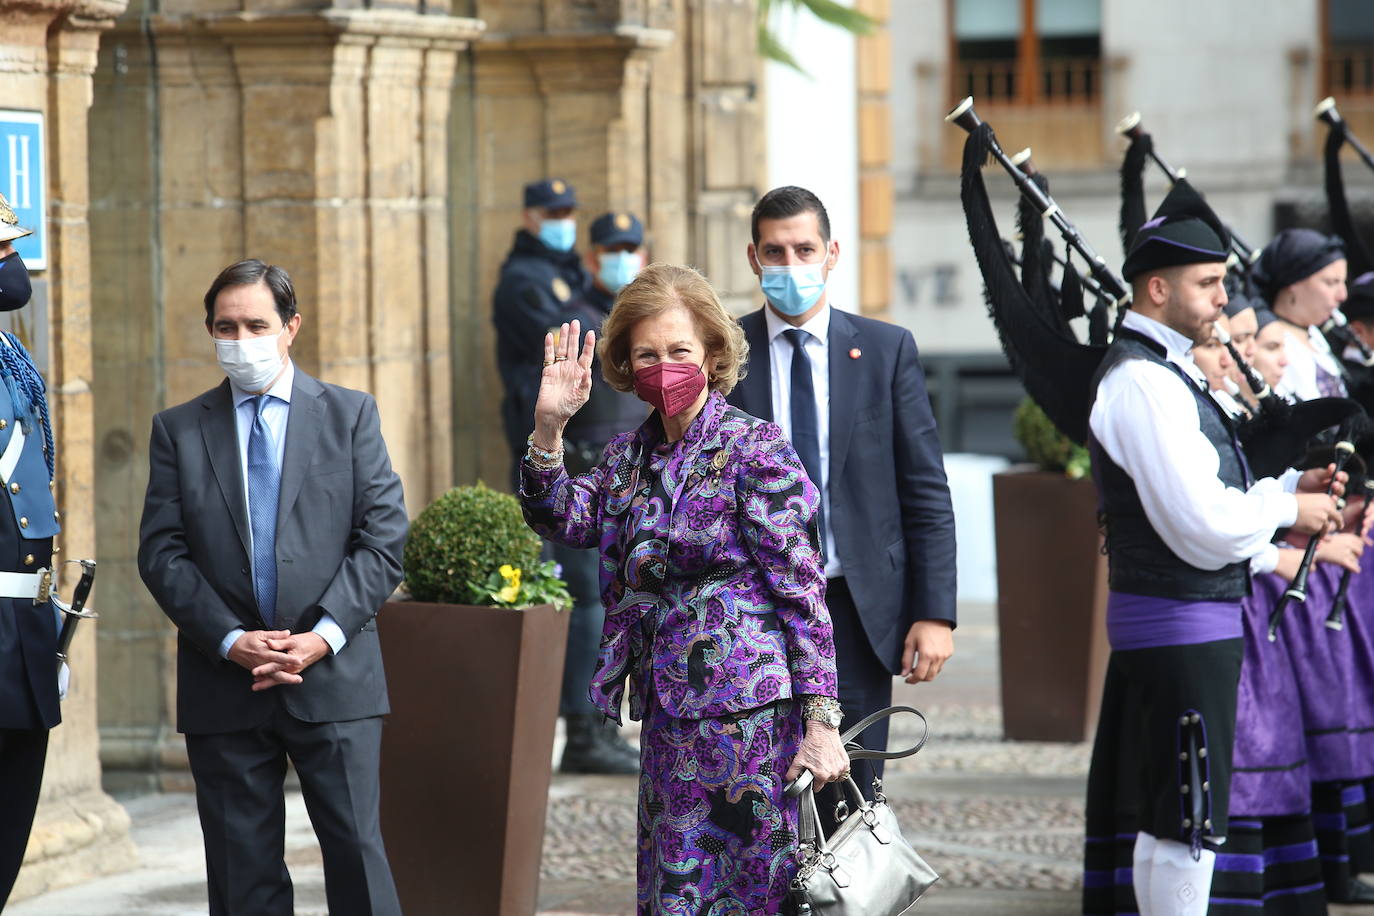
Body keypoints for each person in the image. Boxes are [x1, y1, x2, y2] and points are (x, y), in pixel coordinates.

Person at [519, 263, 847, 913]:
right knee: (676, 886)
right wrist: (549, 431)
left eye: (679, 351)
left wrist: (821, 721)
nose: (663, 366)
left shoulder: (756, 448)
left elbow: (803, 591)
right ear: (624, 363)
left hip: (752, 718)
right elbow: (565, 517)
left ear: (713, 354)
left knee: (754, 888)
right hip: (669, 713)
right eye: (646, 354)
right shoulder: (628, 457)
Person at [1080, 182, 1344, 916]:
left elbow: (1212, 494)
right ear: (1157, 288)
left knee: (1175, 817)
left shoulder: (1162, 372)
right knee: (1191, 822)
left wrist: (1295, 478)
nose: (1223, 298)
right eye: (1208, 283)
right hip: (1178, 622)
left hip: (1183, 620)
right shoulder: (1142, 381)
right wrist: (1293, 505)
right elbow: (1203, 525)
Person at [137, 259, 408, 916]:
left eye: (256, 324)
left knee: (358, 860)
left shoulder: (349, 415)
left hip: (334, 677)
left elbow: (383, 538)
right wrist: (231, 641)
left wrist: (321, 638)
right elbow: (161, 552)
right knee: (240, 873)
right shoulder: (179, 429)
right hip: (224, 681)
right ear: (209, 331)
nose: (241, 339)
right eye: (226, 327)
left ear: (291, 327)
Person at [726, 185, 957, 813]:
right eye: (775, 252)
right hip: (753, 613)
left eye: (804, 249)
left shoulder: (885, 351)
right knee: (756, 792)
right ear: (753, 258)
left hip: (857, 610)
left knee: (849, 799)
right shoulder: (726, 356)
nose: (790, 265)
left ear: (832, 254)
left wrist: (935, 612)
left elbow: (925, 490)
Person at [553, 212, 651, 774]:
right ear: (592, 258)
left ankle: (604, 728)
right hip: (588, 482)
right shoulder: (579, 320)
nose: (621, 257)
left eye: (630, 248)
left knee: (617, 608)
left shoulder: (640, 321)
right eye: (611, 248)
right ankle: (584, 734)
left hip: (636, 485)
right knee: (587, 610)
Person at [0, 194, 65, 908]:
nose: (13, 268)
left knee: (11, 819)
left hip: (21, 632)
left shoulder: (9, 352)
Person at [493, 178, 590, 479]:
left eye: (566, 213)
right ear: (529, 217)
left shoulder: (572, 268)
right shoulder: (522, 278)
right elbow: (564, 340)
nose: (562, 222)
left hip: (581, 416)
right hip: (540, 411)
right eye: (553, 215)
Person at [1253, 228, 1348, 401]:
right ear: (1294, 282)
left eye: (1342, 282)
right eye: (1331, 282)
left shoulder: (1316, 335)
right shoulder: (1270, 342)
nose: (1342, 295)